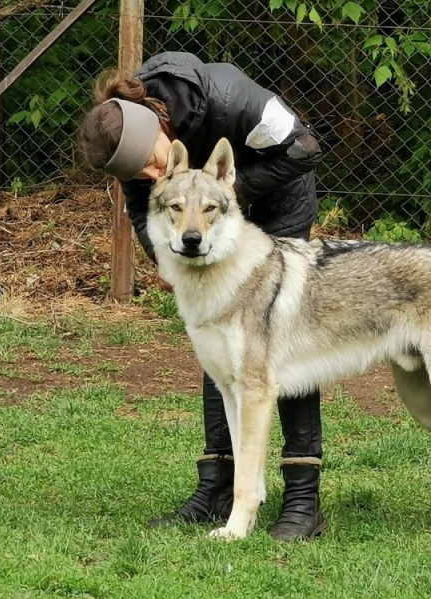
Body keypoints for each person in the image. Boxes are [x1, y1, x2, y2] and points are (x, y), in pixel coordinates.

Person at [79, 51, 326, 541]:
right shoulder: (135, 152)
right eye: (143, 174)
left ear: (154, 127)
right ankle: (218, 485)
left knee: (273, 346)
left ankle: (302, 497)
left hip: (277, 207)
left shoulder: (229, 95)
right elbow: (142, 204)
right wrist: (163, 257)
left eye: (154, 163)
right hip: (197, 229)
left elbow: (305, 147)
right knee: (219, 348)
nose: (154, 175)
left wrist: (218, 196)